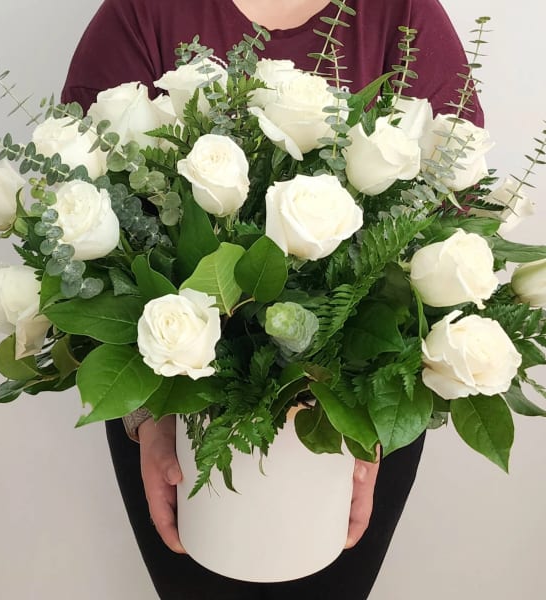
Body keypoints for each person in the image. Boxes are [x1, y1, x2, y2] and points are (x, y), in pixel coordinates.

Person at [62, 1, 483, 598]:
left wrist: (367, 429)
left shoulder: (400, 11)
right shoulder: (143, 12)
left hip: (360, 420)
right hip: (173, 416)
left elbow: (453, 220)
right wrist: (148, 418)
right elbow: (75, 218)